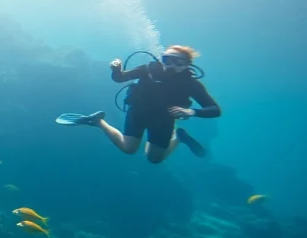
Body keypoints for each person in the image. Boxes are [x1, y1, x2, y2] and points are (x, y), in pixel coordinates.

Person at [57, 45, 221, 163]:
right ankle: (98, 122)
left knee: (154, 159)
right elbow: (120, 78)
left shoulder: (191, 84)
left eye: (178, 63)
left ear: (187, 66)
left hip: (163, 120)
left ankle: (178, 137)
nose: (171, 66)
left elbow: (215, 110)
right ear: (161, 59)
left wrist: (191, 112)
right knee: (129, 149)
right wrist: (116, 70)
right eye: (167, 60)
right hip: (138, 113)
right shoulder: (147, 70)